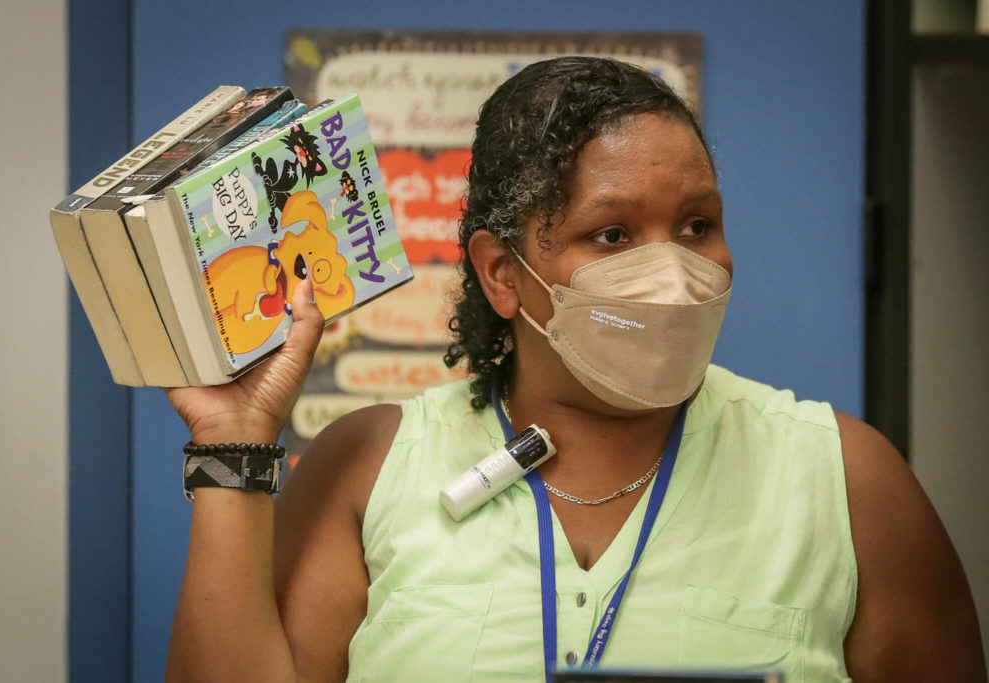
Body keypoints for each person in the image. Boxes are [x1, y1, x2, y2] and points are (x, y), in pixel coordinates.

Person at [164, 57, 986, 682]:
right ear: (503, 273)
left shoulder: (846, 478)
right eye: (613, 235)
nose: (673, 272)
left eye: (698, 225)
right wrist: (235, 441)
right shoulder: (368, 467)